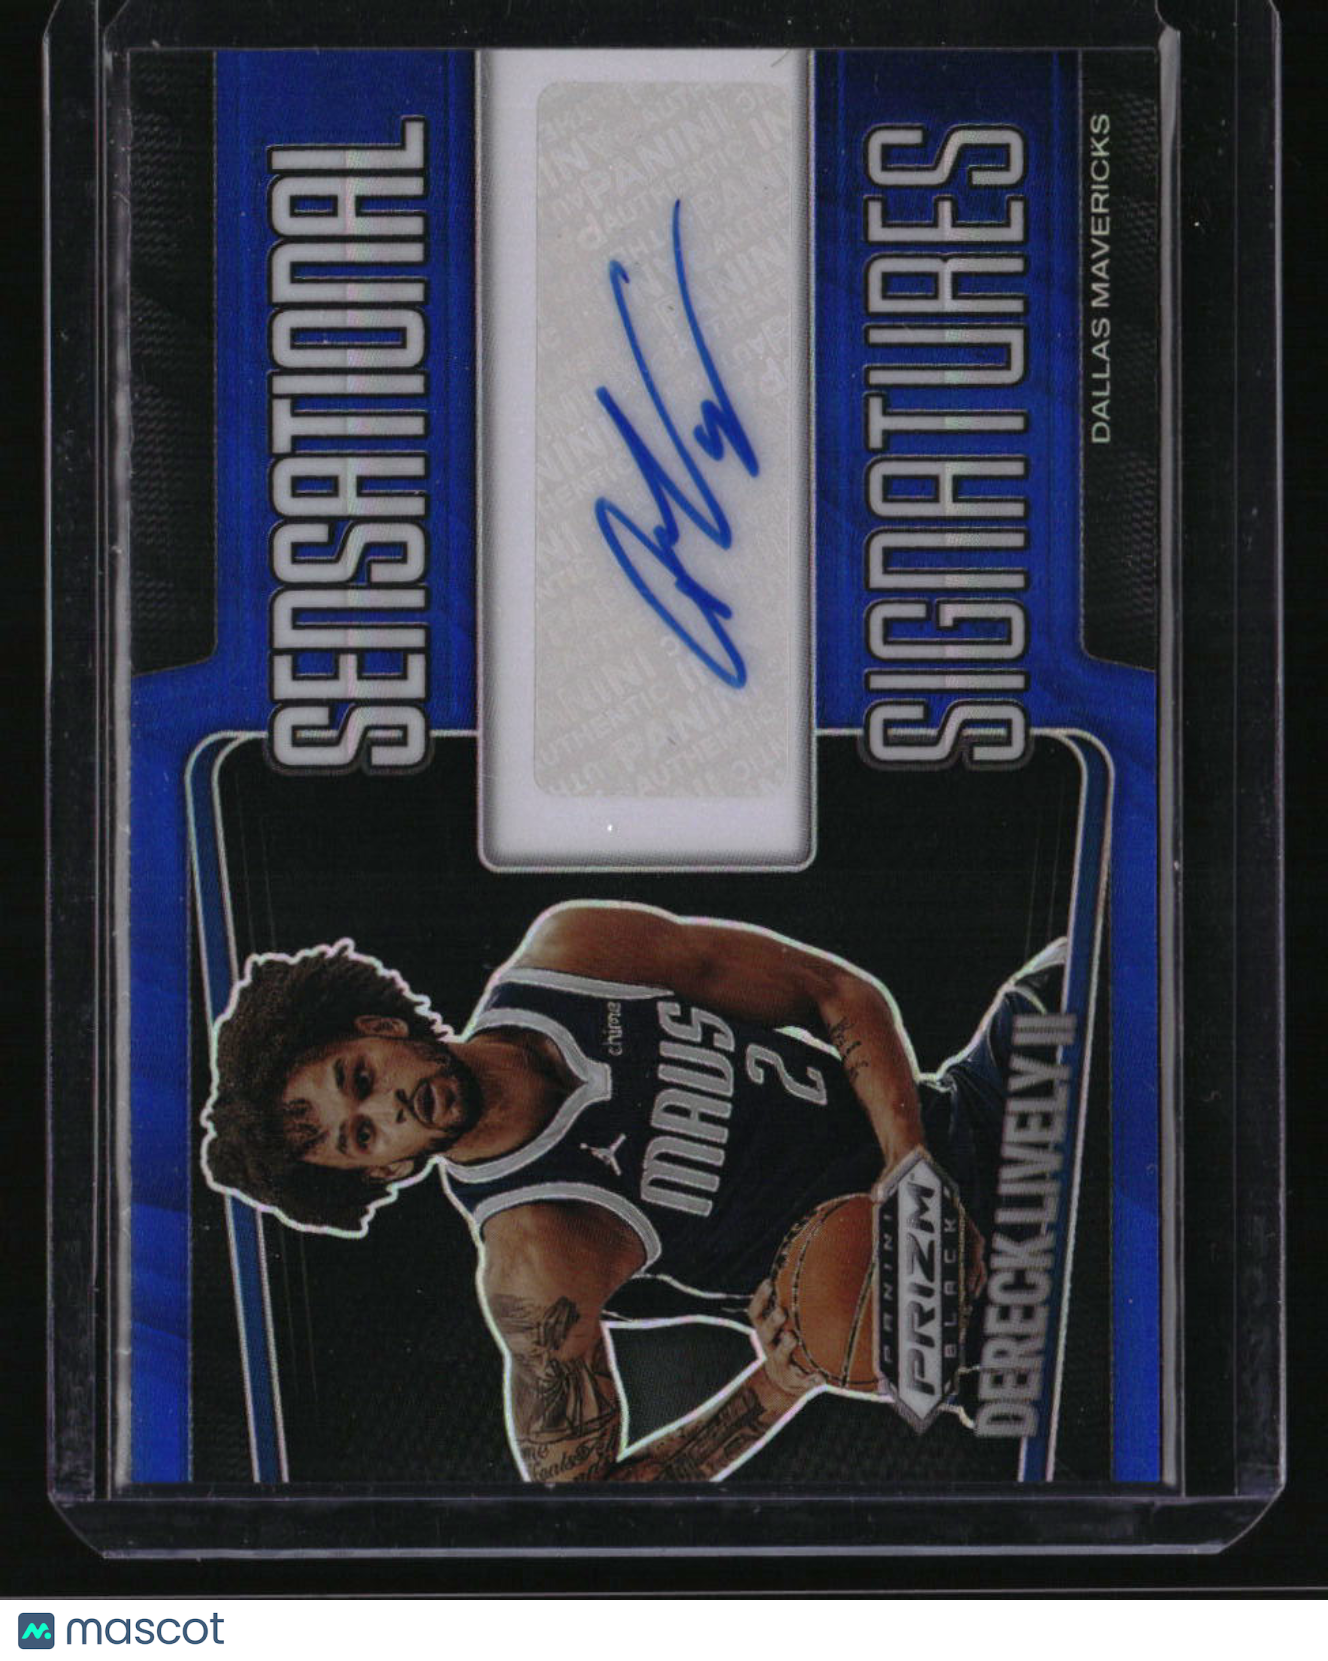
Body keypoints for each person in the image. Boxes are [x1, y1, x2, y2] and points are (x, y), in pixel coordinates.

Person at [202, 901, 1065, 1482]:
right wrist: (778, 1382)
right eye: (361, 1136)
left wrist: (910, 1167)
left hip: (981, 1114)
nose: (384, 1109)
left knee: (1093, 952)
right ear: (384, 1170)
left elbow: (830, 990)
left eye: (360, 1077)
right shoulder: (535, 1254)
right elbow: (588, 1507)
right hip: (956, 1314)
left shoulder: (571, 955)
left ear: (379, 1027)